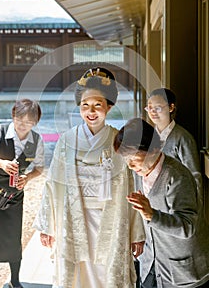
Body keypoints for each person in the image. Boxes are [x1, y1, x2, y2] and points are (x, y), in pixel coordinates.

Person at [34, 67, 145, 288]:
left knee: (109, 274)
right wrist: (48, 226)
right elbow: (53, 184)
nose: (91, 111)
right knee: (77, 275)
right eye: (85, 106)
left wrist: (136, 231)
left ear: (109, 107)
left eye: (97, 105)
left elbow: (132, 185)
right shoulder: (67, 140)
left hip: (111, 220)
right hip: (75, 219)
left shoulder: (118, 140)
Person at [114, 118, 209, 288]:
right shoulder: (139, 172)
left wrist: (152, 214)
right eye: (126, 160)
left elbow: (188, 226)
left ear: (153, 149)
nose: (130, 165)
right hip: (152, 264)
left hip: (182, 272)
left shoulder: (177, 177)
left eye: (133, 158)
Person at [0, 98, 44, 288]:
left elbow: (39, 168)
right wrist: (2, 163)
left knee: (13, 238)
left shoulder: (36, 140)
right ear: (13, 116)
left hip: (13, 196)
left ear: (35, 122)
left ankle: (15, 281)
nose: (24, 125)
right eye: (20, 120)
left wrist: (28, 178)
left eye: (30, 122)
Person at [144, 87, 203, 203]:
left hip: (177, 201)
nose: (153, 112)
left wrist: (193, 210)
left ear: (171, 107)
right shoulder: (148, 137)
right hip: (153, 202)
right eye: (150, 108)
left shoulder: (183, 138)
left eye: (158, 108)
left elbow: (194, 176)